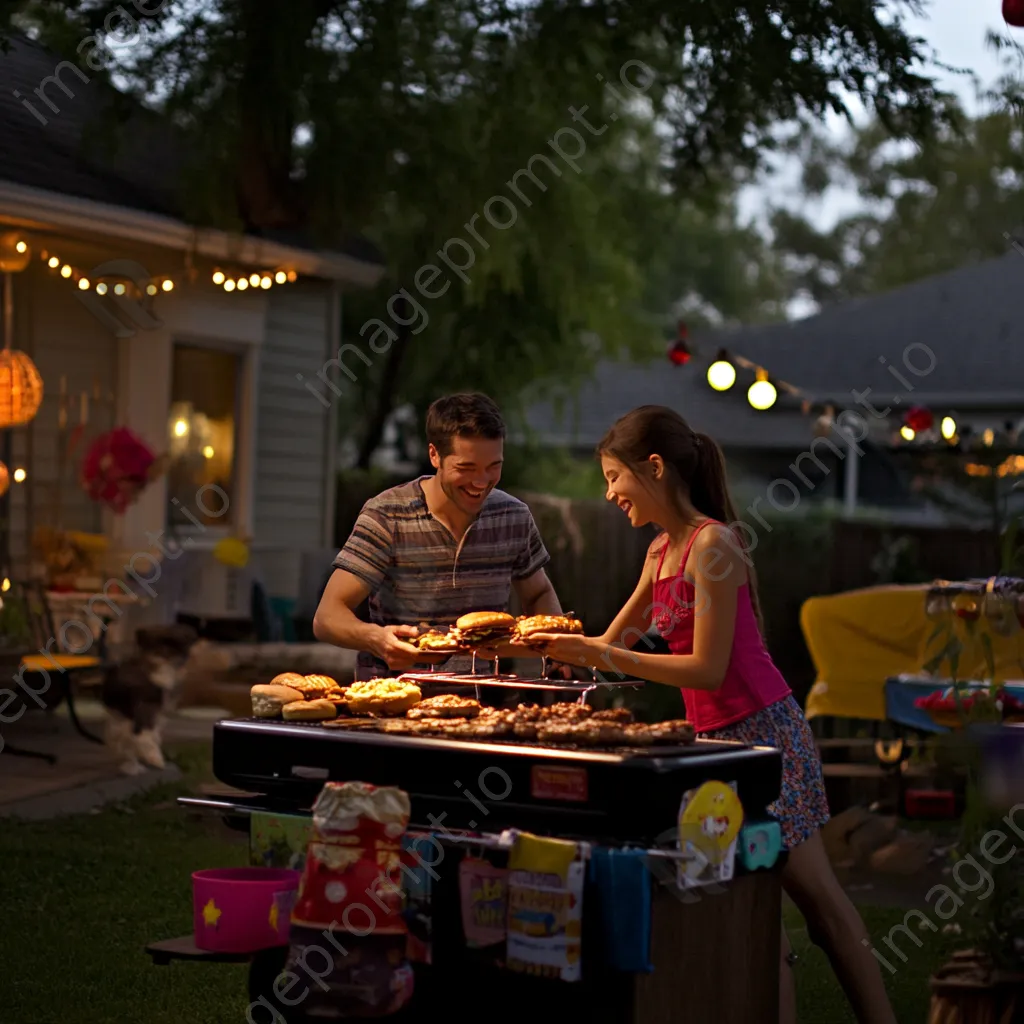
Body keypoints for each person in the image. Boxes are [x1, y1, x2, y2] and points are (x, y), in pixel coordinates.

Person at [530, 405, 897, 1024]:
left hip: (766, 736)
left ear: (653, 468)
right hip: (710, 745)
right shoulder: (657, 555)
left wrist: (600, 652)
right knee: (750, 912)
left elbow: (707, 668)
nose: (609, 492)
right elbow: (610, 652)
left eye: (614, 477)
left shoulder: (714, 545)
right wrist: (548, 649)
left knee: (821, 907)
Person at [313, 392, 566, 680]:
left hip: (484, 700)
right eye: (466, 468)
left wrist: (556, 647)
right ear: (434, 455)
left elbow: (538, 593)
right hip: (395, 699)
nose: (481, 482)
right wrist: (376, 638)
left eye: (493, 467)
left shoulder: (514, 516)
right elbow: (327, 617)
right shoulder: (387, 514)